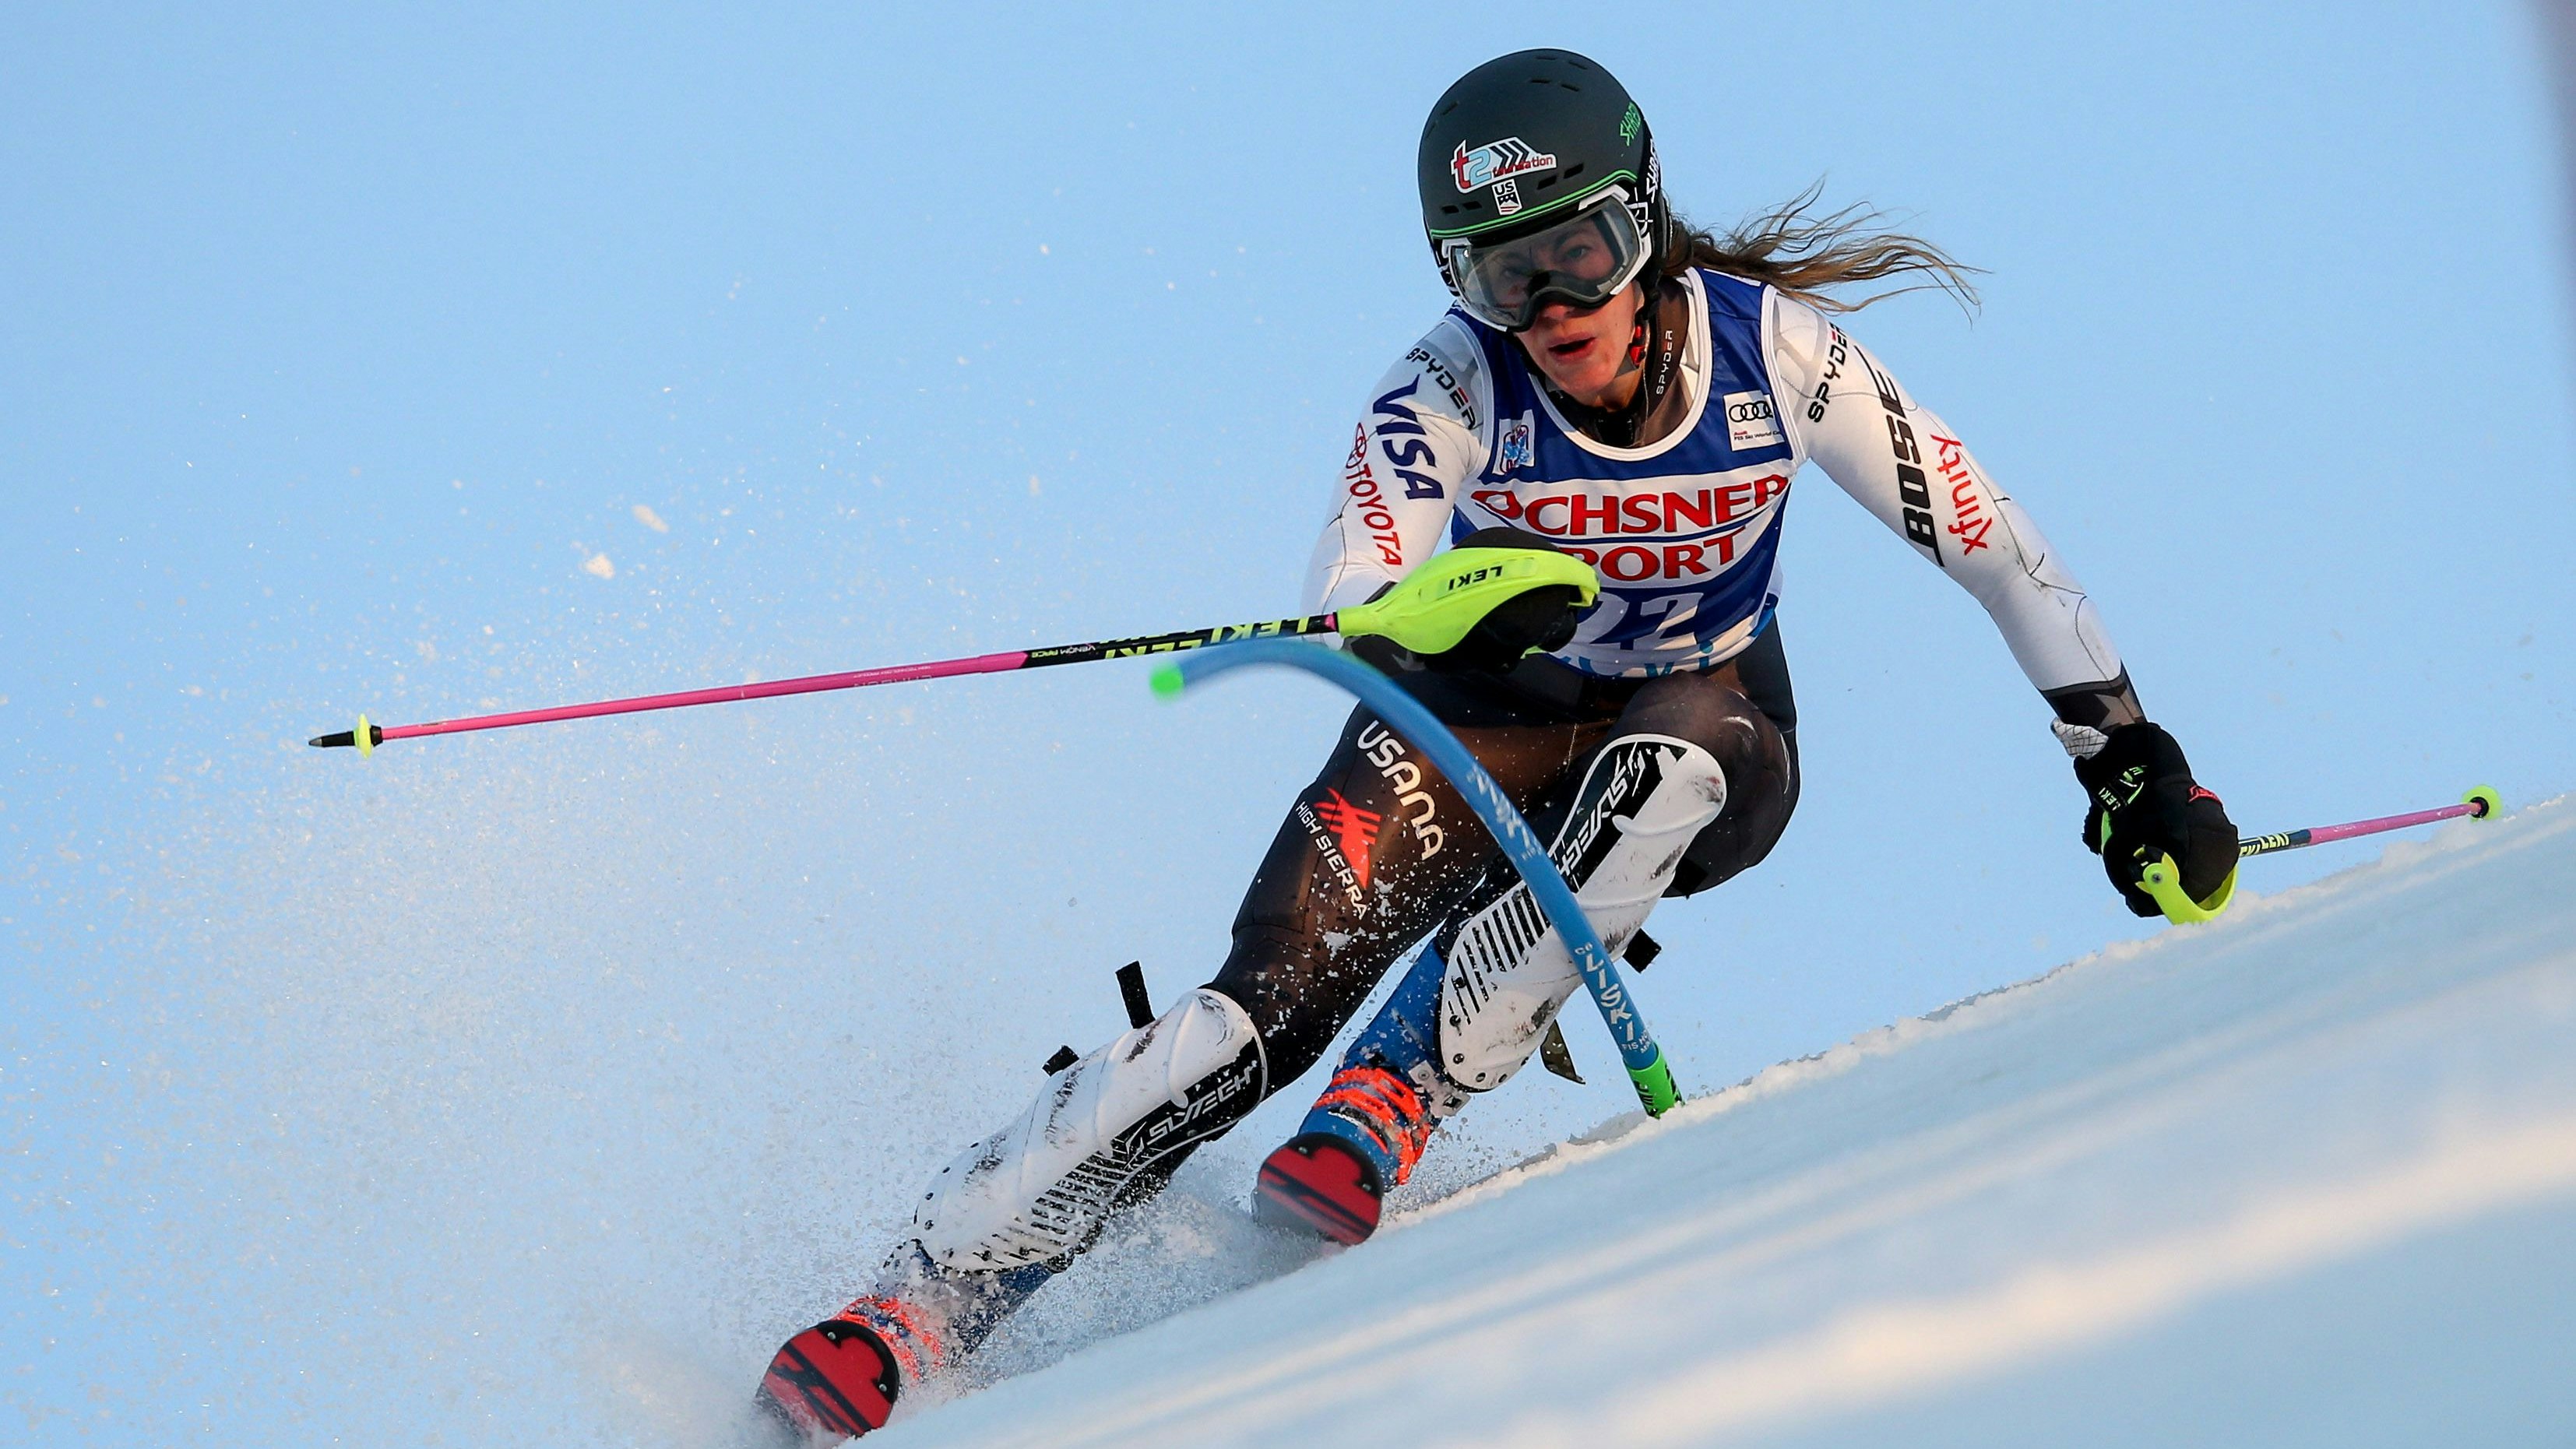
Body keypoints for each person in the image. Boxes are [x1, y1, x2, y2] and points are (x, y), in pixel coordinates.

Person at [753, 47, 2240, 1440]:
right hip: (1474, 725)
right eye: (1499, 270)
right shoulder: (1449, 383)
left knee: (1667, 763)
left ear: (1640, 226)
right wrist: (1437, 619)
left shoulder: (1779, 354)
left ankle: (1408, 1078)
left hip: (1708, 718)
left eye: (1576, 253)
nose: (1548, 304)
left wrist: (2126, 758)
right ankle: (925, 1294)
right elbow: (1348, 590)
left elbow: (1995, 547)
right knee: (1249, 1017)